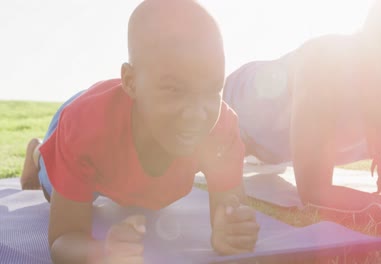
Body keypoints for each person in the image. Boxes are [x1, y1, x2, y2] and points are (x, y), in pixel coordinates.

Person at [19, 0, 259, 263]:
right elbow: (62, 242)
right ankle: (37, 151)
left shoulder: (221, 130)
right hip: (76, 119)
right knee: (51, 187)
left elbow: (230, 217)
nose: (196, 114)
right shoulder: (85, 132)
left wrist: (229, 232)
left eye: (213, 90)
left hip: (113, 116)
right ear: (131, 82)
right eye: (174, 90)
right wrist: (101, 253)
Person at [224, 0, 381, 219]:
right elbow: (314, 194)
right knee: (211, 153)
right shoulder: (326, 63)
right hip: (242, 103)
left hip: (277, 148)